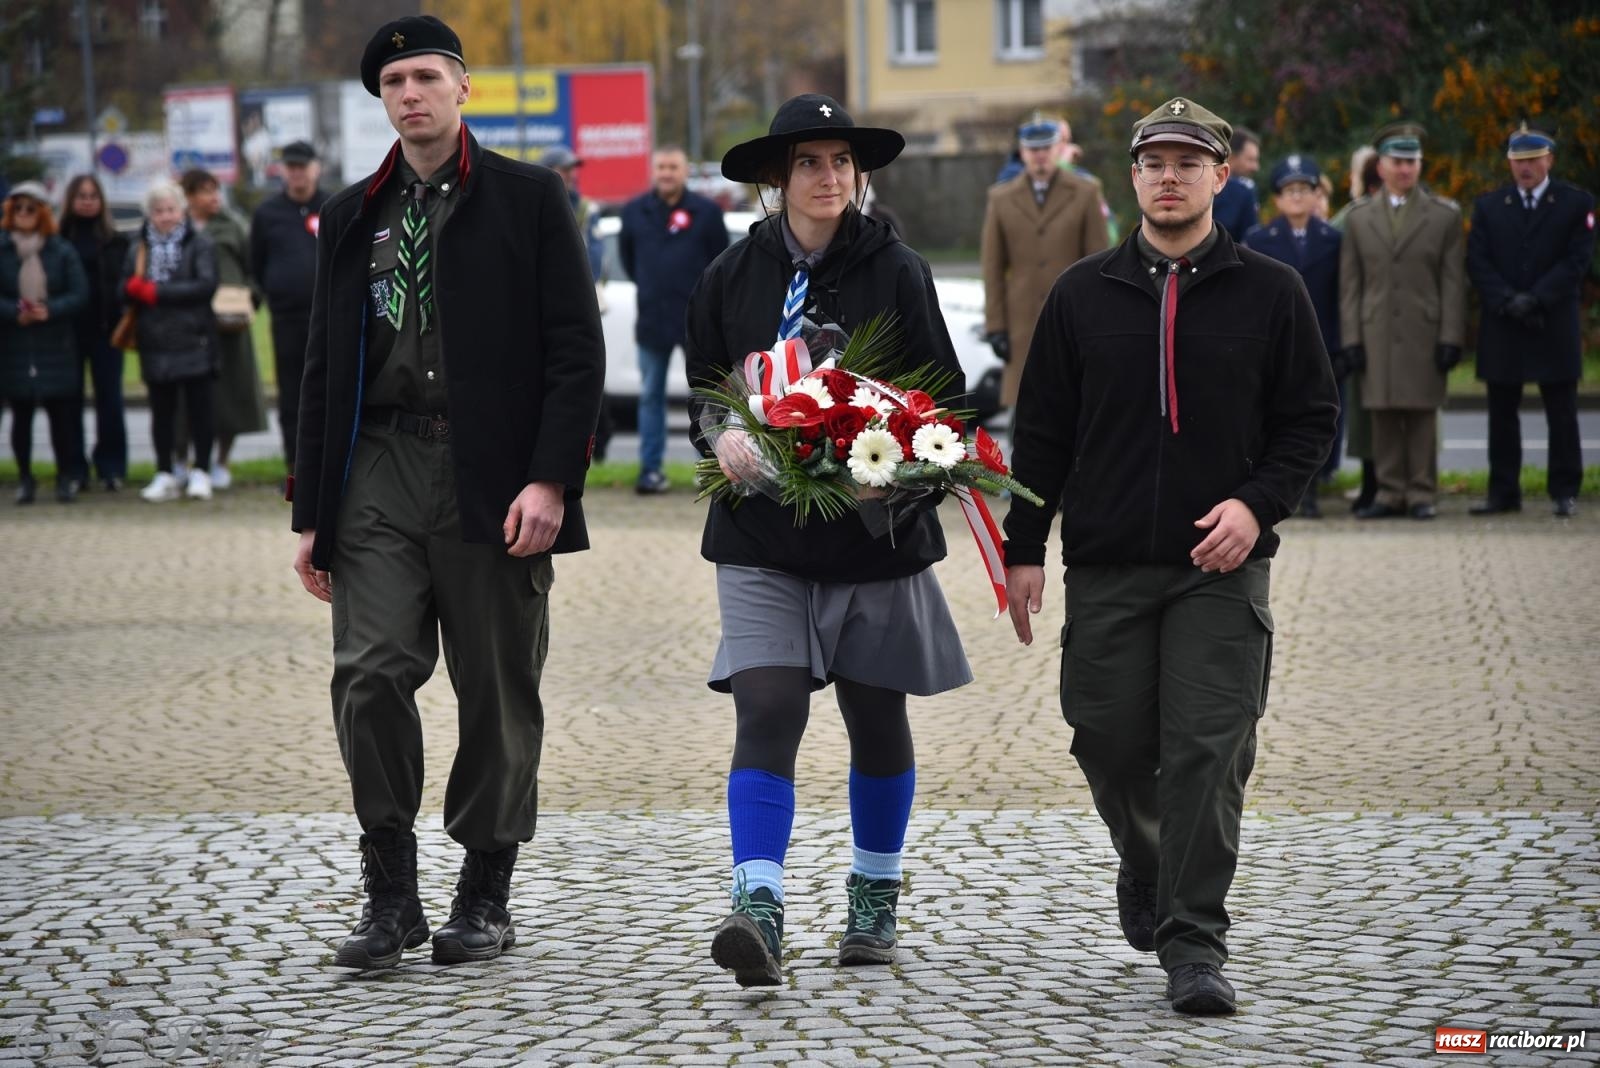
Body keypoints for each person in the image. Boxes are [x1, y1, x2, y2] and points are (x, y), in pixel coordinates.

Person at [1002, 97, 1337, 1015]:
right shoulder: (1081, 295)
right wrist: (1022, 550)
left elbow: (1311, 420)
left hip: (1221, 570)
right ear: (1134, 177)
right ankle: (1146, 864)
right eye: (1155, 161)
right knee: (1105, 740)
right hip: (1106, 564)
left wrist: (1256, 504)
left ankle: (1194, 942)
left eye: (1191, 161)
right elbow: (1042, 433)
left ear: (1222, 177)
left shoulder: (1272, 292)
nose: (1171, 175)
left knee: (1207, 752)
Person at [289, 15, 604, 972]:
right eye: (393, 83)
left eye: (427, 76)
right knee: (372, 671)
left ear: (463, 87)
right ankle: (391, 894)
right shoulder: (350, 215)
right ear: (380, 100)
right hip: (377, 469)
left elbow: (574, 350)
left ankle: (484, 891)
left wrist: (550, 477)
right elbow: (318, 367)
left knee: (497, 687)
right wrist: (311, 514)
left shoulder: (528, 197)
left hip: (492, 471)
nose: (411, 95)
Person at [685, 93, 970, 987]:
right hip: (761, 534)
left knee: (875, 716)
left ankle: (873, 900)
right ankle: (758, 907)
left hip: (874, 536)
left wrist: (898, 460)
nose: (828, 176)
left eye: (841, 160)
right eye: (809, 161)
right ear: (778, 177)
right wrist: (721, 435)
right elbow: (703, 394)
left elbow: (945, 400)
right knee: (767, 708)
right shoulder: (730, 274)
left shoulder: (899, 270)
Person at [1466, 124, 1596, 519]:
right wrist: (1508, 299)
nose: (1526, 168)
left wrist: (1537, 298)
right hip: (1504, 321)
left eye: (1533, 160)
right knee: (1501, 412)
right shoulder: (1490, 207)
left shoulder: (1576, 203)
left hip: (1552, 321)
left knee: (1562, 409)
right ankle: (1503, 492)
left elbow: (1577, 261)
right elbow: (1478, 262)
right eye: (1518, 161)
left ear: (1549, 160)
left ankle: (1564, 490)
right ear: (1509, 163)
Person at [1338, 122, 1466, 520]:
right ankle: (1390, 493)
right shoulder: (1359, 218)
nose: (1405, 169)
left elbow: (1452, 282)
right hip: (1376, 331)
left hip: (1423, 331)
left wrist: (1451, 336)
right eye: (1398, 161)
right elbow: (1351, 285)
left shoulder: (1444, 215)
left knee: (1422, 413)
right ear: (1382, 167)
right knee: (1383, 413)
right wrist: (1352, 339)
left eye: (1412, 161)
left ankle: (1422, 493)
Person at [980, 112, 1109, 421]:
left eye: (1046, 149)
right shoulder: (1001, 197)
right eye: (1032, 150)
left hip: (1073, 318)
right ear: (1022, 153)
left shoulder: (1085, 191)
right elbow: (993, 267)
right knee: (1025, 417)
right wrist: (996, 326)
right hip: (1022, 322)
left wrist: (1098, 317)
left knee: (1074, 409)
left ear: (1057, 150)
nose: (1039, 157)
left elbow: (1099, 260)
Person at [619, 144, 728, 493]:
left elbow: (720, 262)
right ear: (654, 171)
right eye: (662, 167)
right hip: (652, 321)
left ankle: (711, 467)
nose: (667, 173)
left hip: (697, 324)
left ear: (685, 172)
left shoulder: (707, 213)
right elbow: (628, 258)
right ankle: (650, 472)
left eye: (674, 167)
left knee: (706, 395)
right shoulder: (635, 211)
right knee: (651, 396)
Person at [1243, 155, 1342, 517]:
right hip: (1274, 342)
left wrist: (1343, 342)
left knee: (1315, 418)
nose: (1298, 197)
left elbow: (1342, 295)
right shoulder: (1259, 239)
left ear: (1317, 195)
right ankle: (1279, 490)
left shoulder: (1333, 239)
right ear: (1278, 199)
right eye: (1290, 191)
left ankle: (1312, 490)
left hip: (1322, 339)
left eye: (1305, 190)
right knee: (1276, 416)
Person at [123, 180, 220, 502]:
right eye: (158, 211)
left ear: (182, 211)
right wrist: (133, 291)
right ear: (149, 215)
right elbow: (123, 287)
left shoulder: (199, 243)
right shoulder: (138, 246)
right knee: (161, 412)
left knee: (200, 410)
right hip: (155, 340)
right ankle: (164, 471)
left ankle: (201, 471)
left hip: (194, 338)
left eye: (170, 210)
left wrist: (157, 293)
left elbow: (205, 285)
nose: (165, 216)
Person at [1, 181, 89, 503]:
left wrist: (50, 310)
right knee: (20, 418)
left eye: (30, 208)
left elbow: (80, 293)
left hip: (55, 343)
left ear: (42, 213)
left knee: (61, 418)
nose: (24, 214)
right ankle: (26, 478)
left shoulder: (61, 250)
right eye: (18, 208)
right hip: (16, 345)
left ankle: (64, 477)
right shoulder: (2, 249)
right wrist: (14, 312)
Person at [181, 169, 267, 489]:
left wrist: (249, 301)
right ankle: (182, 461)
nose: (214, 197)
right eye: (205, 191)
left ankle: (221, 462)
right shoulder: (180, 227)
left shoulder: (233, 226)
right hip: (188, 325)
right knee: (184, 397)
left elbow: (253, 269)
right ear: (188, 196)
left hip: (230, 324)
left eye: (216, 191)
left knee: (231, 392)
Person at [251, 139, 327, 471]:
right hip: (287, 319)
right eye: (291, 167)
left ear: (316, 168)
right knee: (292, 395)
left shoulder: (333, 206)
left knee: (330, 391)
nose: (297, 173)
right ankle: (296, 468)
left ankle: (331, 466)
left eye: (302, 167)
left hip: (329, 318)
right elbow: (256, 264)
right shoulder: (267, 213)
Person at [58, 174, 131, 492]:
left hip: (107, 331)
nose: (87, 201)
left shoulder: (116, 240)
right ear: (71, 200)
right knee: (68, 402)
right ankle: (74, 468)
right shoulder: (59, 240)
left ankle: (111, 467)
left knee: (110, 401)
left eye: (93, 196)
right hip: (68, 333)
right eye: (81, 195)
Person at [540, 143, 613, 461]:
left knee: (585, 372)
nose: (570, 175)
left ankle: (596, 443)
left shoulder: (584, 208)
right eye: (564, 168)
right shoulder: (534, 200)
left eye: (571, 169)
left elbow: (595, 260)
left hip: (578, 303)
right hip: (541, 303)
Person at [1330, 146, 1382, 511]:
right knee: (1366, 414)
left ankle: (1382, 487)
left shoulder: (1352, 216)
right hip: (1363, 327)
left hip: (1372, 323)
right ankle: (1379, 487)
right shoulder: (1353, 217)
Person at [1212, 126, 1261, 241]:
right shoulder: (1244, 191)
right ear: (1232, 158)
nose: (1256, 167)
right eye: (1250, 160)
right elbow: (1249, 240)